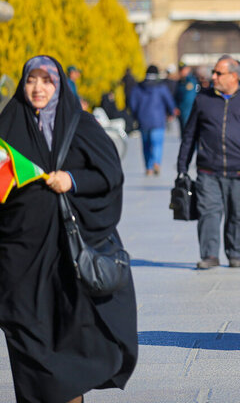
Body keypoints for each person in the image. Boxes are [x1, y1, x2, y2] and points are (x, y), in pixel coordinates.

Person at [0, 55, 137, 403]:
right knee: (24, 330)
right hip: (19, 254)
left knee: (67, 333)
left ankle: (69, 395)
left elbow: (110, 175)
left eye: (46, 81)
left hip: (67, 253)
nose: (38, 88)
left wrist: (71, 179)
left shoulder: (79, 124)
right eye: (32, 80)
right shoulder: (8, 124)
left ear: (59, 84)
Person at [177, 56, 240, 269]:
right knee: (208, 212)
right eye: (214, 72)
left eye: (219, 73)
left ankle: (234, 252)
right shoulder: (203, 99)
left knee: (236, 214)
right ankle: (210, 255)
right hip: (208, 170)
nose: (213, 76)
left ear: (234, 76)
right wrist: (182, 166)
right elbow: (190, 134)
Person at [129, 65, 177, 176]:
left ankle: (148, 167)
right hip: (158, 120)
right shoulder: (161, 87)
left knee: (146, 145)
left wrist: (136, 116)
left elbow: (132, 104)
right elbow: (169, 101)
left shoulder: (138, 87)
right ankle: (156, 162)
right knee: (157, 144)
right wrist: (171, 112)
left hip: (143, 120)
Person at [174, 62, 200, 134]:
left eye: (183, 69)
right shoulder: (181, 82)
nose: (181, 72)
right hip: (182, 112)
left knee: (189, 134)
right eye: (180, 70)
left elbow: (188, 99)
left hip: (188, 112)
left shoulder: (191, 81)